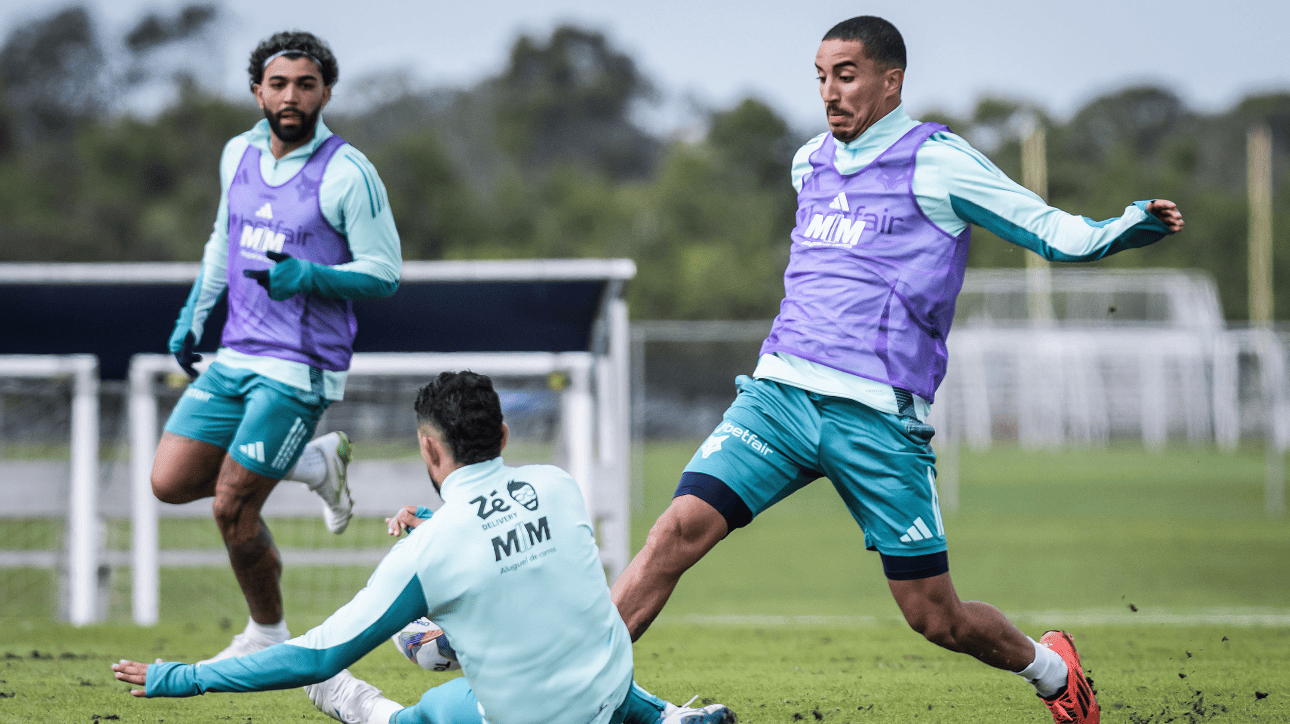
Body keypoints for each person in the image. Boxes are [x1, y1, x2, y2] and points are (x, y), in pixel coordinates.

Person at [610, 16, 1185, 724]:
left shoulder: (938, 162)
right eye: (820, 77)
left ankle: (1052, 668)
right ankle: (573, 691)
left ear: (891, 80)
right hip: (779, 398)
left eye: (845, 75)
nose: (829, 92)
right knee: (674, 534)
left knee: (935, 617)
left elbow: (1046, 228)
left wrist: (1120, 228)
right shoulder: (808, 163)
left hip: (877, 422)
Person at [115, 371, 736, 724]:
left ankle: (352, 704)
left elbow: (313, 655)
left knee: (411, 718)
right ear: (503, 433)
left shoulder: (429, 550)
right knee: (561, 631)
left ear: (429, 451)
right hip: (610, 691)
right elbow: (504, 547)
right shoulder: (558, 484)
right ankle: (666, 719)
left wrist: (184, 677)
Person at [150, 30, 403, 663]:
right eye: (280, 83)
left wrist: (312, 276)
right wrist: (192, 314)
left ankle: (267, 633)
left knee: (233, 506)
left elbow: (386, 272)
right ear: (258, 91)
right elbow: (221, 240)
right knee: (170, 481)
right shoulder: (236, 153)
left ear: (325, 92)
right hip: (236, 353)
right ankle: (315, 465)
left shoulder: (349, 172)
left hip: (301, 365)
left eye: (306, 84)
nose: (292, 96)